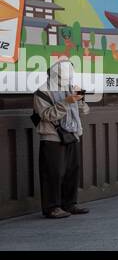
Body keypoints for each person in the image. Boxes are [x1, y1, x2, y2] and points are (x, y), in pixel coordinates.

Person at [33, 60, 90, 219]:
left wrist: (81, 99)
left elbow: (84, 111)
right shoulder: (42, 92)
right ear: (56, 75)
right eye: (65, 77)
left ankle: (70, 203)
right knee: (53, 172)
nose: (68, 80)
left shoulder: (70, 88)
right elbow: (46, 115)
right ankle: (52, 207)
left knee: (72, 170)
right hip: (51, 136)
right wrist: (67, 102)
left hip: (72, 133)